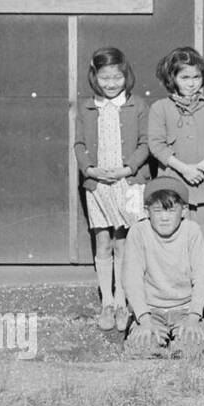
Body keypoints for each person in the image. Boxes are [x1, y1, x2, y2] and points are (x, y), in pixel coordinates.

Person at [74, 46, 150, 332]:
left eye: (117, 77)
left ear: (125, 75)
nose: (111, 84)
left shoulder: (137, 105)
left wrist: (127, 169)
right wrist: (90, 170)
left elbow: (145, 143)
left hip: (126, 183)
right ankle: (106, 300)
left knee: (123, 242)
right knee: (103, 241)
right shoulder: (87, 107)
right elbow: (79, 144)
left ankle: (121, 300)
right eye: (105, 78)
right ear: (94, 76)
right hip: (98, 185)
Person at [147, 46, 204, 243]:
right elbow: (156, 145)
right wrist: (185, 169)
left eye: (196, 77)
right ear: (172, 79)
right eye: (184, 78)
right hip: (176, 181)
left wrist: (201, 167)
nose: (191, 83)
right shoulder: (160, 108)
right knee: (178, 241)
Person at [123, 177, 204, 357]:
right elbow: (132, 280)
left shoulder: (192, 231)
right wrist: (144, 319)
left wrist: (194, 317)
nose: (164, 217)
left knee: (193, 348)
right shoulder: (138, 232)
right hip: (151, 310)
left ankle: (180, 341)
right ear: (146, 211)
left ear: (184, 210)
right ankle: (155, 341)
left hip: (185, 309)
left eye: (171, 210)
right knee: (142, 348)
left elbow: (201, 278)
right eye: (157, 210)